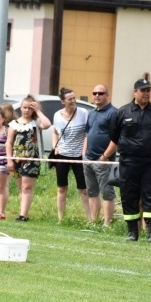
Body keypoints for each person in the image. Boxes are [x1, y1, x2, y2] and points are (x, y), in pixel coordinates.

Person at [101, 79, 151, 242]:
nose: (146, 93)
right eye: (142, 90)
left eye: (148, 90)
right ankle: (132, 232)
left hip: (150, 162)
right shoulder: (123, 112)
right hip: (129, 161)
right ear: (135, 92)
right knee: (129, 195)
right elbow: (115, 136)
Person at [6, 95, 51, 221]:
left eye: (29, 108)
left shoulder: (36, 123)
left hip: (32, 158)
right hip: (17, 159)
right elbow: (9, 143)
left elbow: (47, 124)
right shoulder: (14, 124)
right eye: (24, 108)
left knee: (27, 187)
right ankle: (22, 211)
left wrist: (38, 111)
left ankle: (23, 215)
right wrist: (9, 160)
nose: (26, 110)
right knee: (21, 187)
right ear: (20, 108)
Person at [52, 87, 91, 222]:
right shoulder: (57, 115)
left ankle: (90, 219)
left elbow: (87, 134)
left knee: (83, 189)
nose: (73, 101)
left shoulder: (83, 113)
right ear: (63, 101)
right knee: (62, 188)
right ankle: (60, 219)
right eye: (70, 99)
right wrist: (55, 147)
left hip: (79, 155)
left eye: (74, 98)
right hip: (62, 154)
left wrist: (83, 150)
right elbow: (55, 132)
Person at [83, 84, 118, 226]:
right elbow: (87, 134)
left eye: (100, 93)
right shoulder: (91, 113)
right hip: (88, 159)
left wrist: (104, 156)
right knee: (91, 192)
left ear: (107, 95)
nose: (97, 95)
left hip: (104, 160)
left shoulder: (113, 113)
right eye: (95, 93)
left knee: (107, 192)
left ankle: (107, 223)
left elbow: (116, 139)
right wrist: (84, 154)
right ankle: (94, 221)